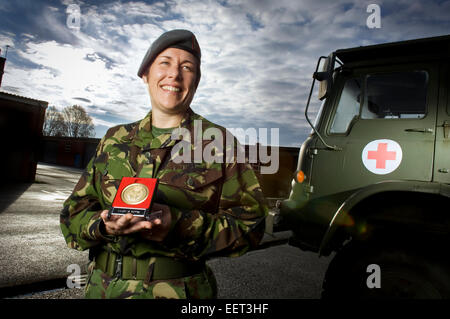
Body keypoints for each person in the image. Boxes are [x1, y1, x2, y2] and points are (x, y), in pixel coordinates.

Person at [60, 29, 268, 299]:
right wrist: (102, 226)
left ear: (196, 81)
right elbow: (71, 215)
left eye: (187, 67)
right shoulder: (114, 140)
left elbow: (252, 227)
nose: (175, 74)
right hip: (103, 289)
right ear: (145, 74)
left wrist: (180, 225)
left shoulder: (219, 144)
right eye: (165, 62)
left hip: (180, 292)